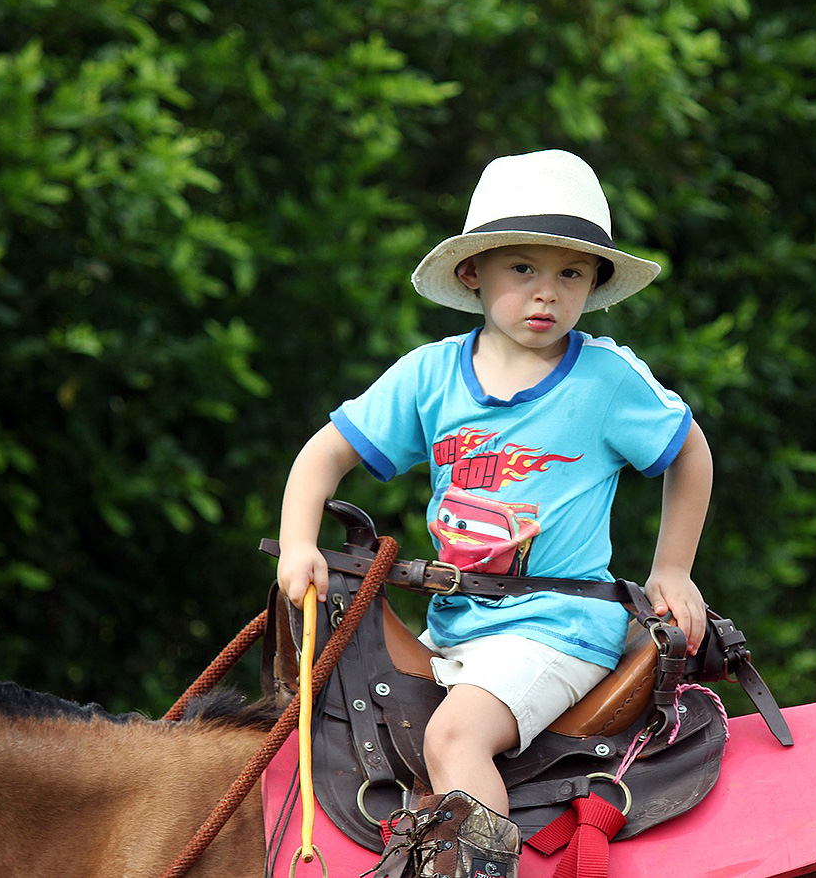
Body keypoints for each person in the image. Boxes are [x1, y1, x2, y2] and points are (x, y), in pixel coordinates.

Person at [275, 149, 713, 878]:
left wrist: (672, 568)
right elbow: (321, 458)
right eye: (523, 270)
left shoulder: (606, 379)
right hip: (456, 631)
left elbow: (689, 452)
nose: (546, 294)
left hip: (560, 630)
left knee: (453, 740)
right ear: (474, 272)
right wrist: (298, 543)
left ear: (595, 283)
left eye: (570, 274)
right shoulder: (430, 375)